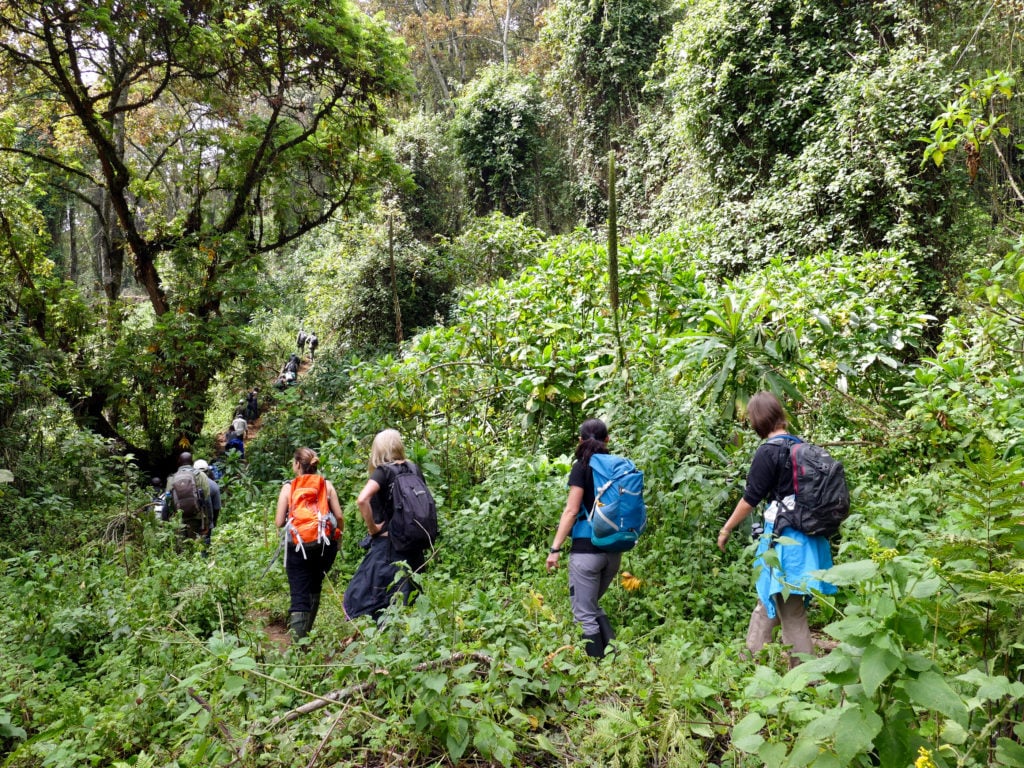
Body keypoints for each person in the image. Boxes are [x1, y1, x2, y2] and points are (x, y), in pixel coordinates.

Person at [717, 391, 838, 668]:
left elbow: (750, 498)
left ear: (758, 420)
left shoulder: (769, 451)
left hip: (785, 540)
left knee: (791, 611)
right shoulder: (801, 446)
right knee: (767, 600)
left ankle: (807, 679)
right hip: (807, 539)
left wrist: (726, 529)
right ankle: (748, 664)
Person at [546, 418, 620, 659]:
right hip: (614, 551)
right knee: (591, 606)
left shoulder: (582, 466)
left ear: (579, 441)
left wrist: (555, 548)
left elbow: (571, 510)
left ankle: (597, 673)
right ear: (608, 440)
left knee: (583, 614)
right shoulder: (618, 466)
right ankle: (614, 657)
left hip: (586, 552)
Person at [343, 429, 429, 621]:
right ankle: (399, 639)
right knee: (406, 595)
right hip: (412, 545)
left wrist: (373, 528)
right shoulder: (414, 468)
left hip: (388, 546)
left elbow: (362, 499)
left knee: (364, 594)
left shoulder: (384, 472)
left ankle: (383, 640)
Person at [275, 447, 344, 640]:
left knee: (299, 594)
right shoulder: (326, 485)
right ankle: (306, 635)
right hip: (324, 545)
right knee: (315, 586)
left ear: (297, 464)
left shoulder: (289, 488)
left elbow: (280, 521)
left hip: (297, 547)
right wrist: (339, 536)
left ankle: (298, 647)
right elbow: (338, 516)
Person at [165, 452, 213, 541]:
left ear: (179, 462)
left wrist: (165, 522)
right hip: (197, 518)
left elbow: (167, 502)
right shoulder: (200, 475)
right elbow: (206, 499)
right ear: (192, 462)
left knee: (181, 549)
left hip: (178, 520)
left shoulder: (172, 478)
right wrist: (209, 522)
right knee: (196, 546)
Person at [194, 459, 222, 545]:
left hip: (190, 518)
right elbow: (217, 508)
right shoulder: (213, 485)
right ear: (208, 471)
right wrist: (213, 523)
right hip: (206, 521)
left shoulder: (189, 484)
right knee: (205, 543)